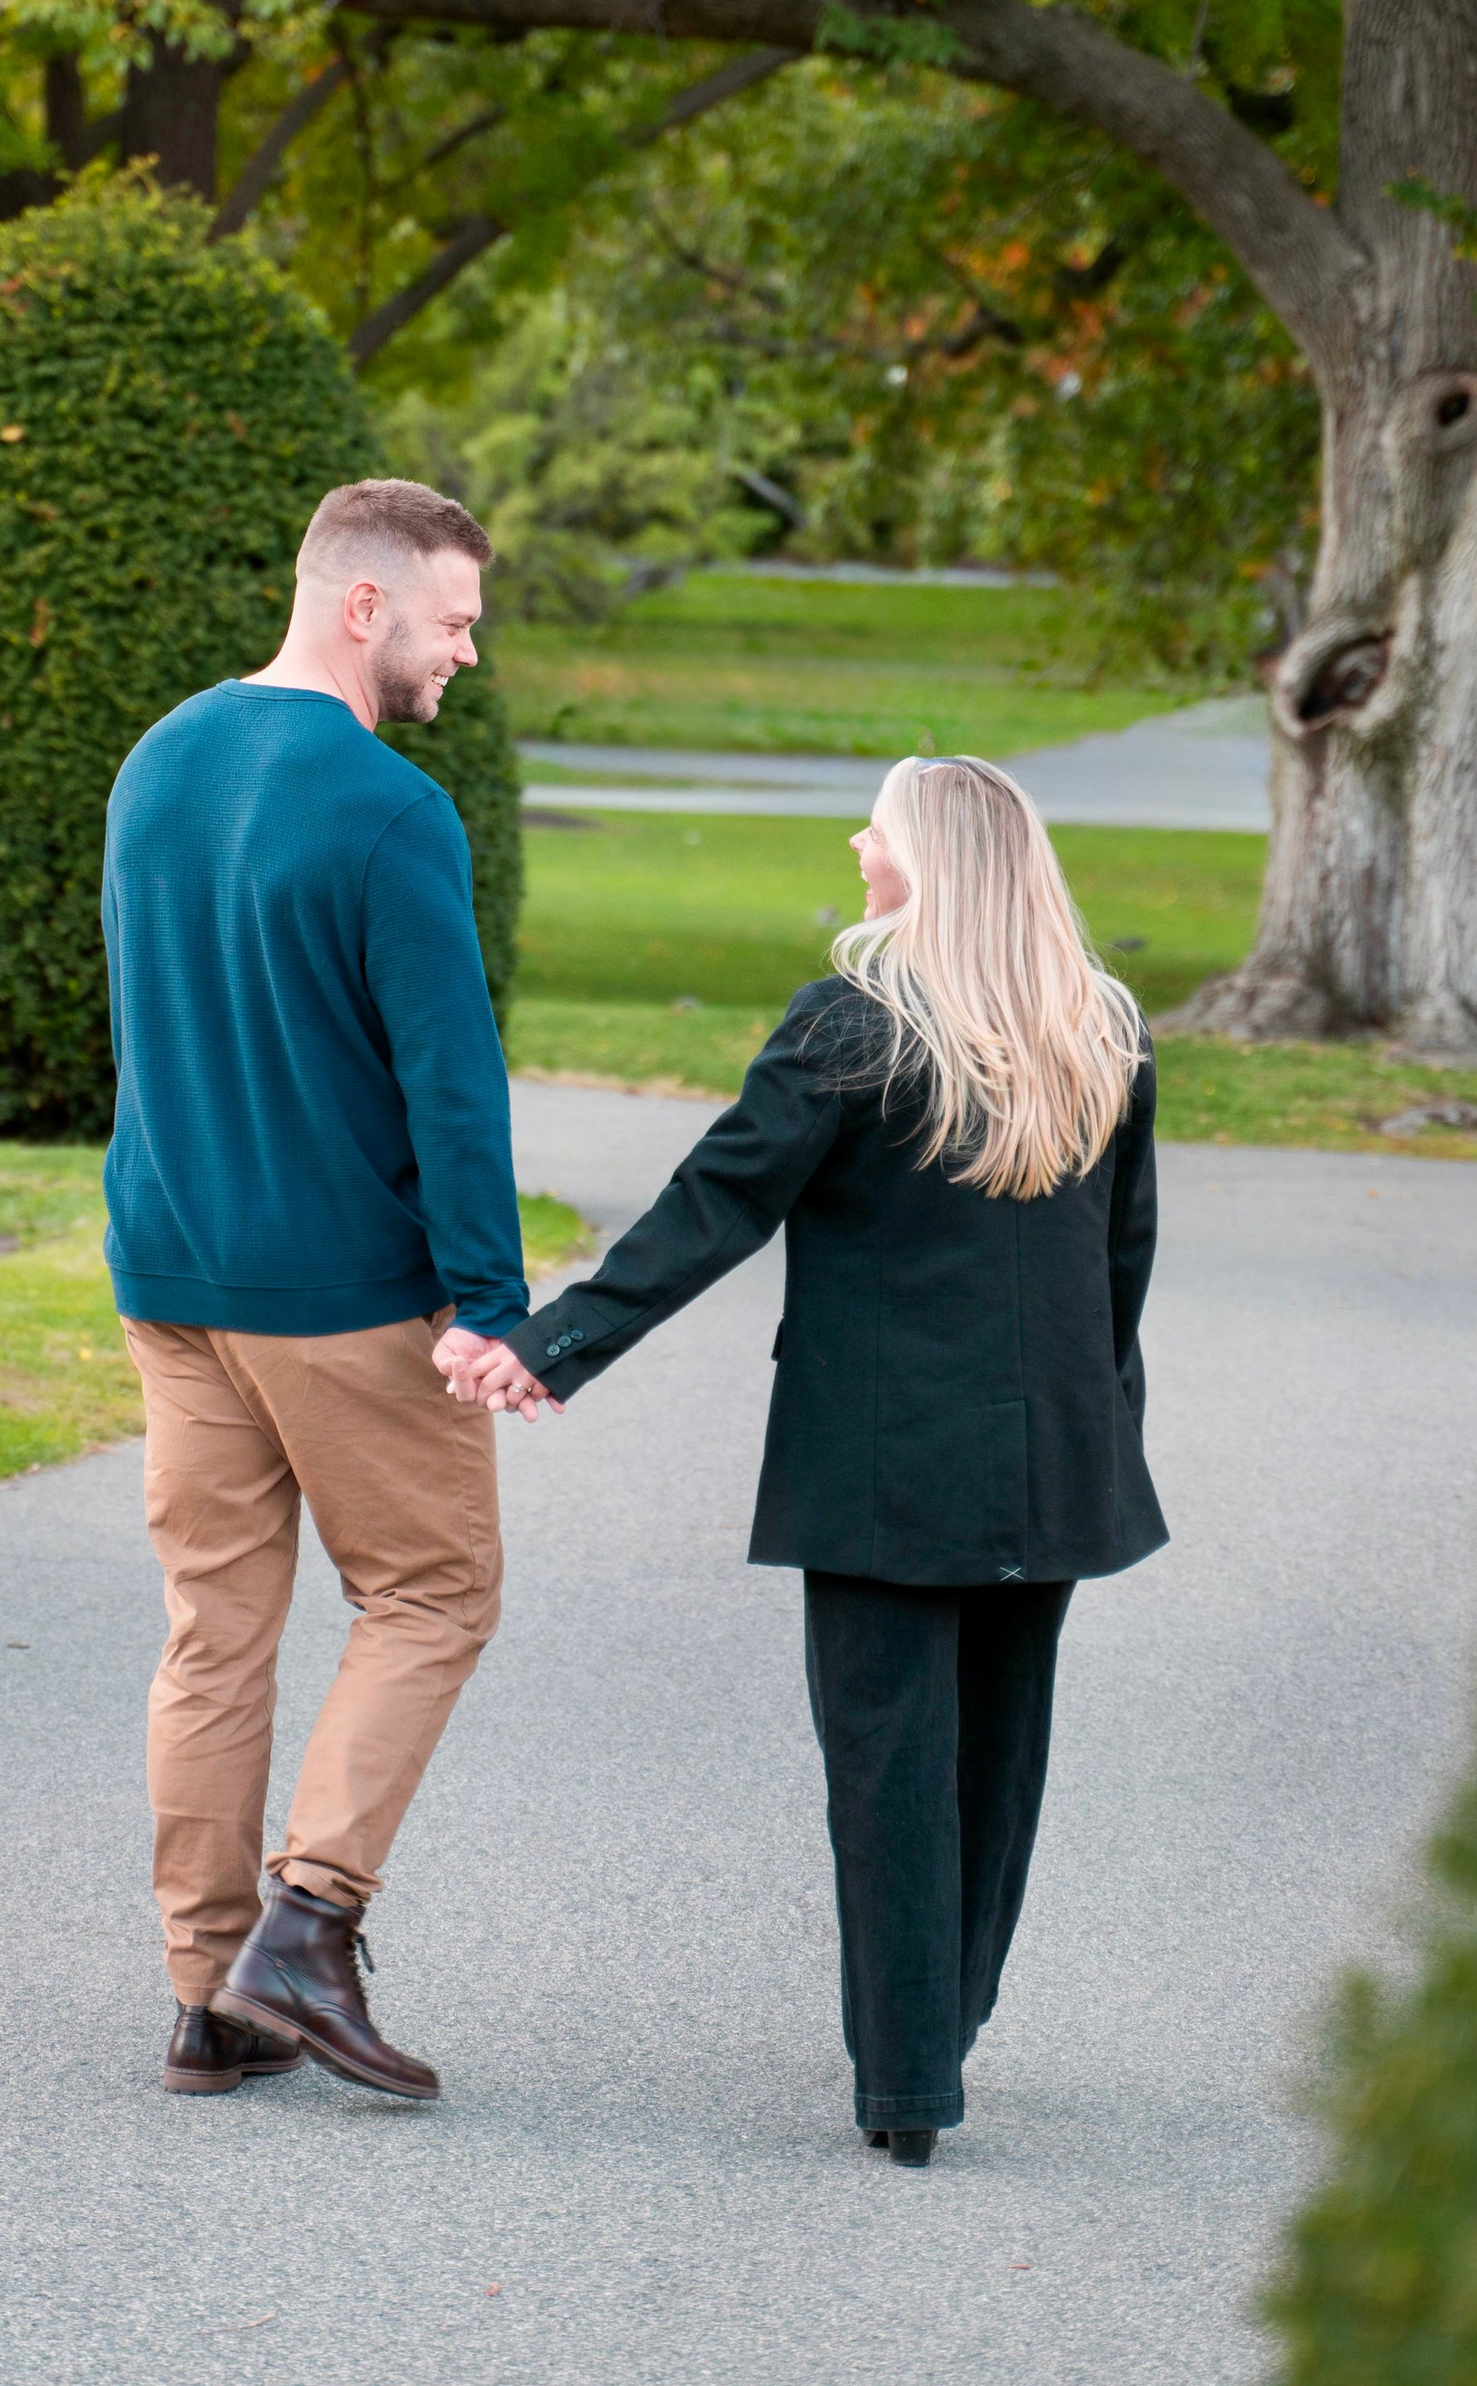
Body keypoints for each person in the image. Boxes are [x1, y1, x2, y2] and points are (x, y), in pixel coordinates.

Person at [445, 757, 1165, 2167]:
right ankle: (937, 2032)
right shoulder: (1103, 1032)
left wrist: (556, 1340)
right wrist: (1103, 1423)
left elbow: (718, 1202)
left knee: (890, 1761)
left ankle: (908, 2078)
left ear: (930, 863)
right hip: (1055, 1458)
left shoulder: (856, 1026)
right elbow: (1120, 1261)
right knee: (997, 1761)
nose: (857, 840)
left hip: (885, 1464)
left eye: (876, 825)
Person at [102, 477, 530, 2108]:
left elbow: (144, 1017)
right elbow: (451, 1080)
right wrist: (485, 1298)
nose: (465, 654)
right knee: (432, 1593)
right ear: (366, 604)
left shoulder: (159, 759)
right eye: (455, 617)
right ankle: (310, 1920)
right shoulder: (387, 808)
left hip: (172, 1269)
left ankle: (209, 1993)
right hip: (337, 1289)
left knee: (215, 1627)